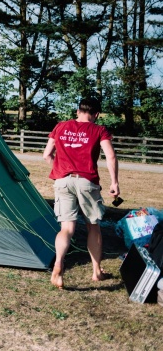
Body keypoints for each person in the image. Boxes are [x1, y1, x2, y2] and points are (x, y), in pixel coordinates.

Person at [43, 97, 120, 289]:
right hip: (87, 181)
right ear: (96, 114)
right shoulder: (99, 130)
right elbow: (110, 156)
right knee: (93, 226)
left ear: (77, 112)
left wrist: (59, 171)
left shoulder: (60, 126)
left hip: (62, 180)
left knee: (66, 229)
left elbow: (46, 155)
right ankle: (96, 272)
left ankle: (59, 262)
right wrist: (115, 182)